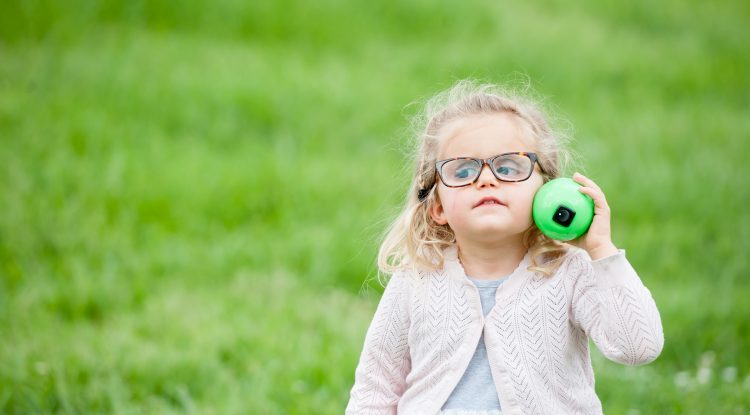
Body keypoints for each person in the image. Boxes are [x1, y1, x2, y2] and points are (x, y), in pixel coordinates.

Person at [345, 80, 664, 415]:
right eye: (463, 170)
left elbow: (638, 347)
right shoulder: (416, 280)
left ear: (547, 191)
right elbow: (374, 390)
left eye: (509, 167)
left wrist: (600, 249)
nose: (486, 179)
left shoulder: (569, 272)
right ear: (437, 206)